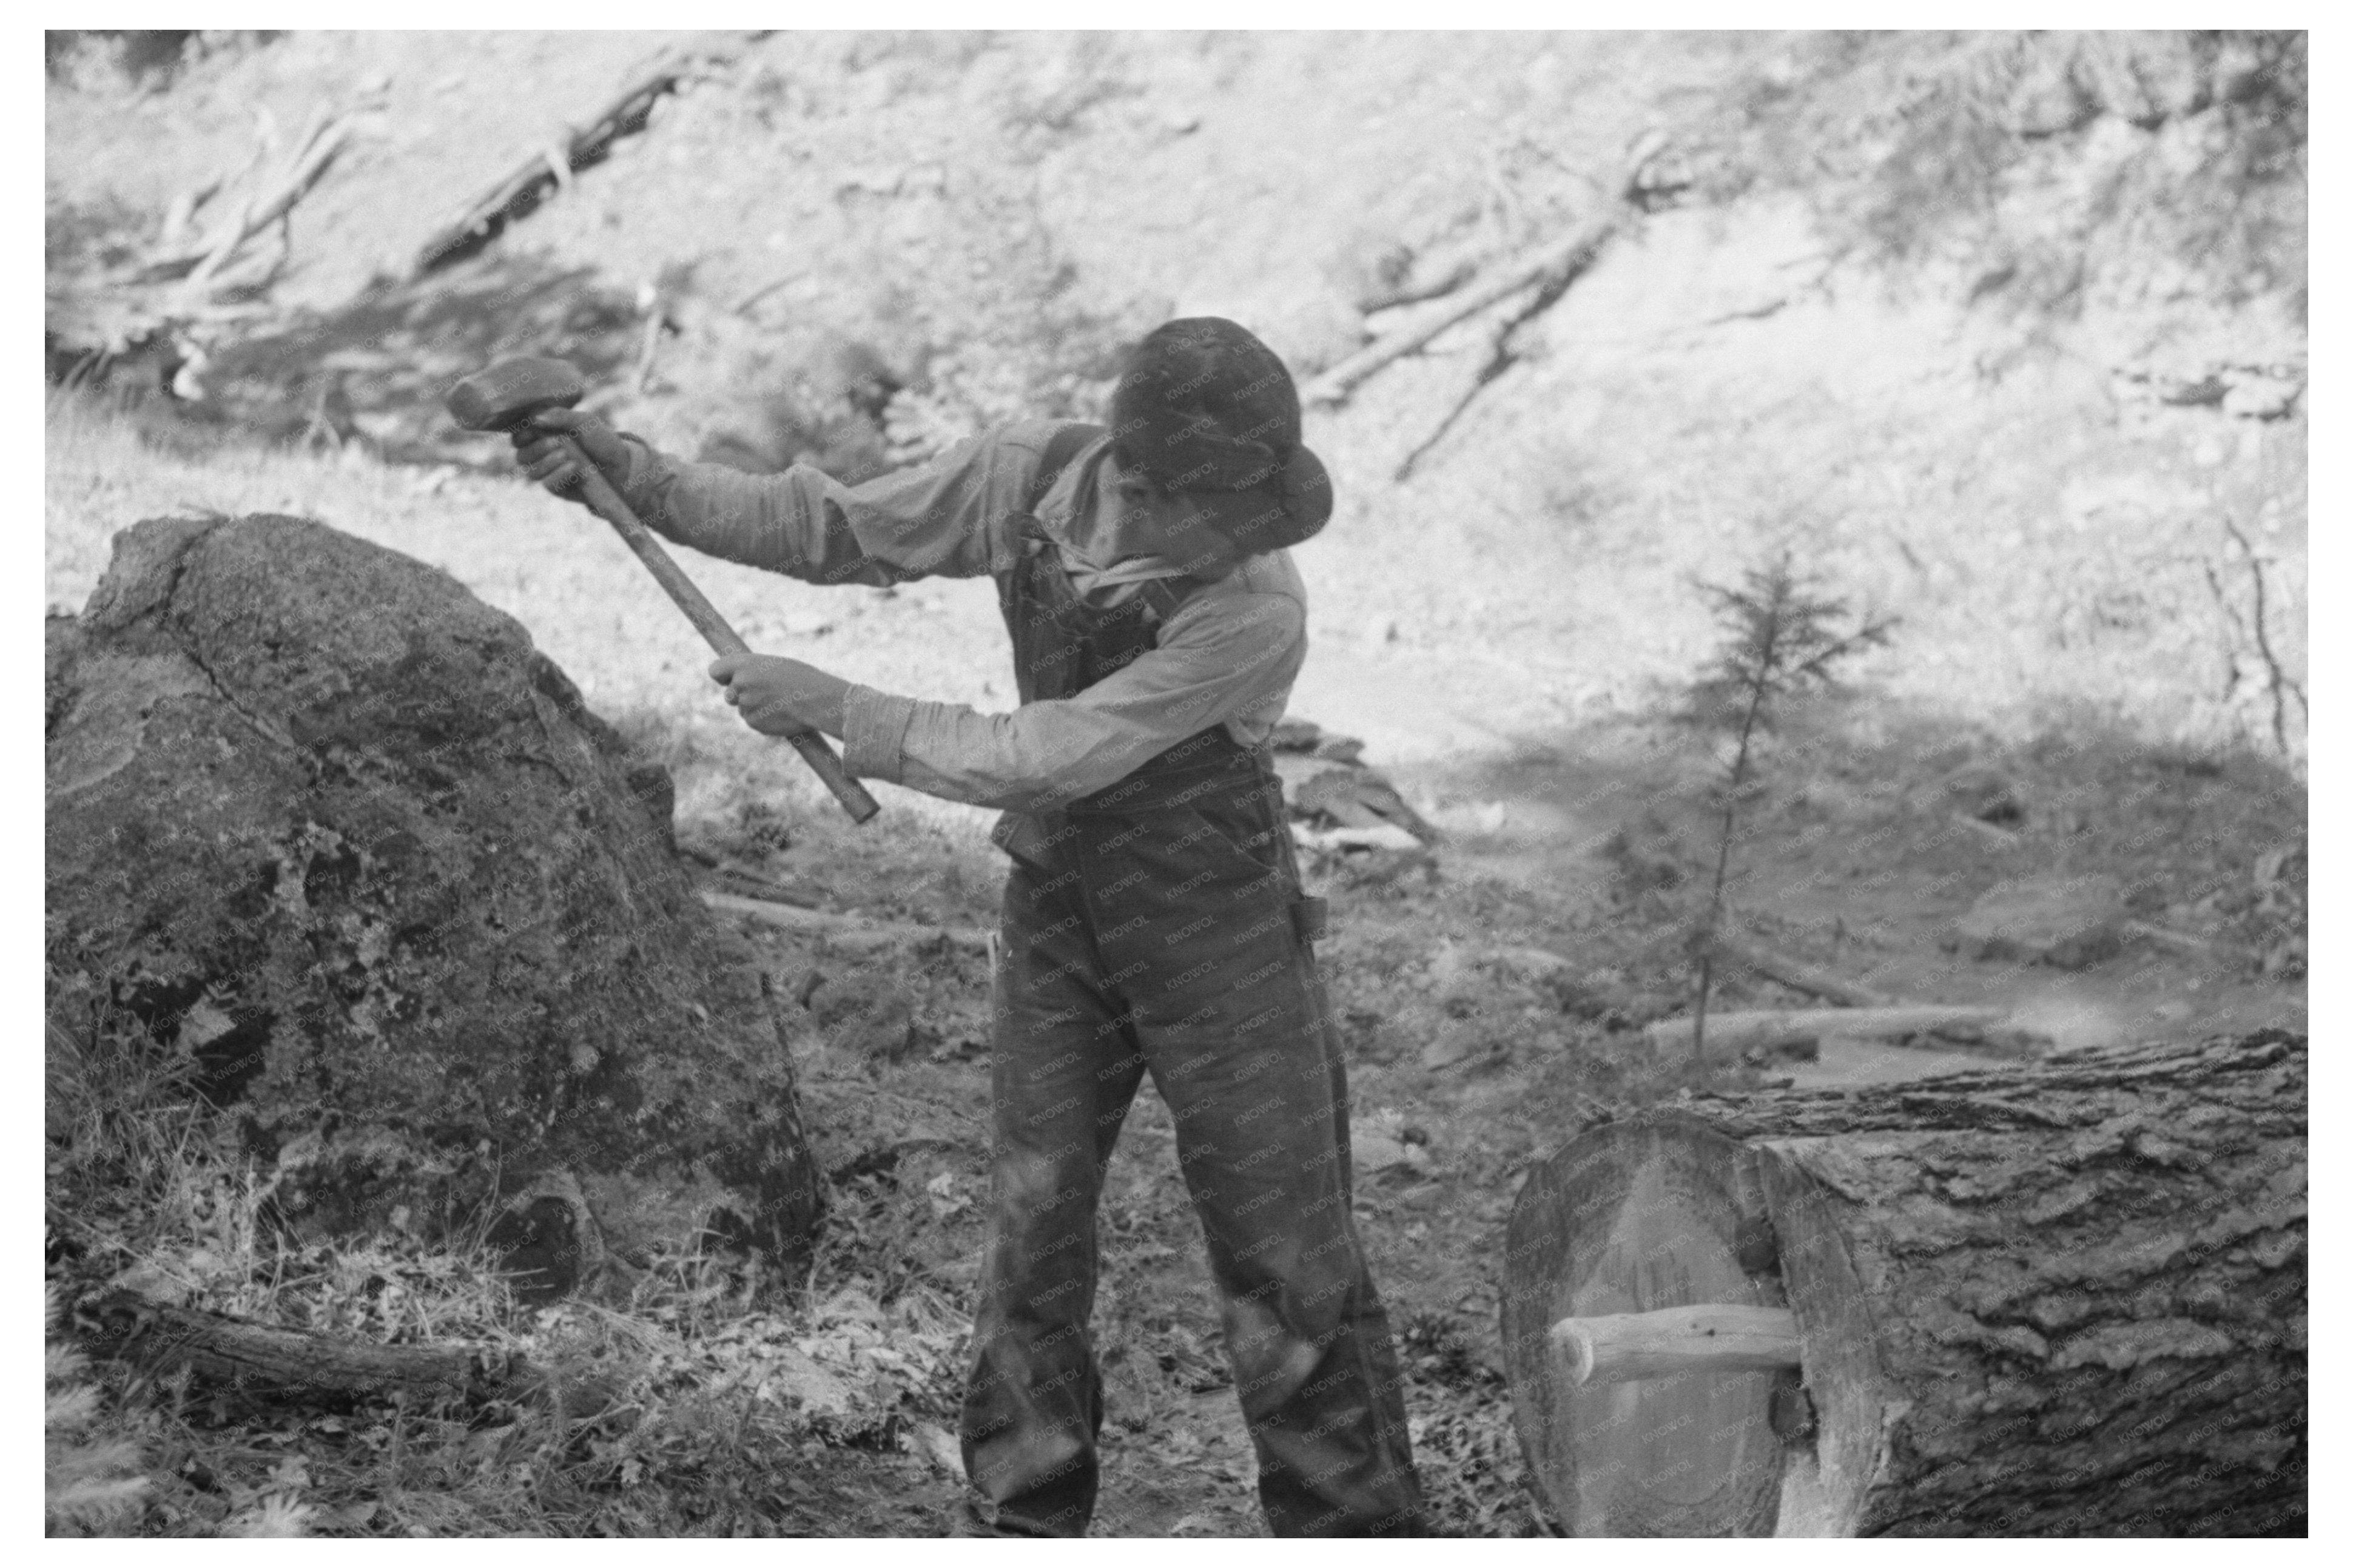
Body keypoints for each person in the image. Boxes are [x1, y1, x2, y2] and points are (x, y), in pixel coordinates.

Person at [511, 317, 1424, 1538]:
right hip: (1061, 904)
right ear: (1136, 479)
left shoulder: (1253, 608)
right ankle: (1024, 1509)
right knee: (1035, 1221)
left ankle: (1352, 1532)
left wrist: (839, 704)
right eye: (1222, 509)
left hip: (1221, 928)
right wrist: (633, 475)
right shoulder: (1025, 477)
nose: (1243, 537)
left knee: (1283, 1242)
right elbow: (830, 528)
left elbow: (1049, 753)